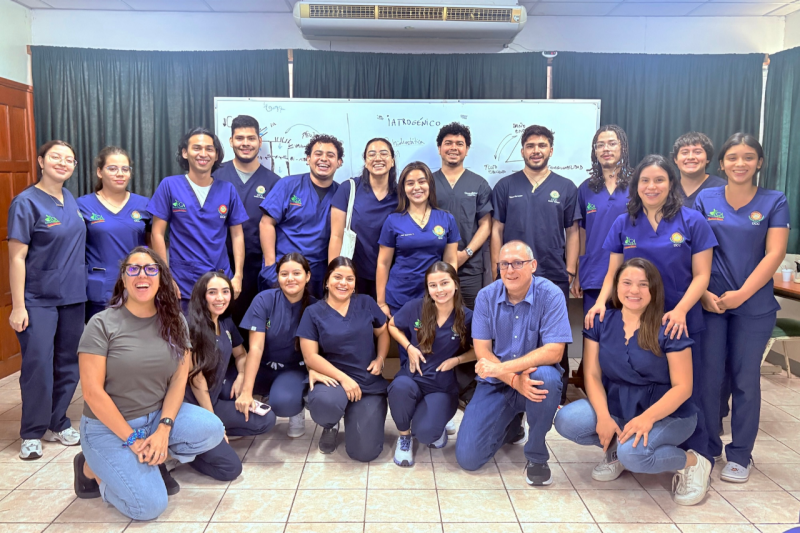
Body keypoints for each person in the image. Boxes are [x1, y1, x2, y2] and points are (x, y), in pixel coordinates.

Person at [585, 154, 718, 468]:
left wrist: (682, 310)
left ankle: (695, 458)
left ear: (671, 183)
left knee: (685, 389)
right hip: (633, 317)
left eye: (659, 179)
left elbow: (702, 275)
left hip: (676, 320)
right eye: (644, 180)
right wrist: (602, 301)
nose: (651, 186)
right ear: (635, 185)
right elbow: (613, 273)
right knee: (627, 382)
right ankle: (626, 445)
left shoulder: (692, 220)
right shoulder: (624, 222)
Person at [72, 247, 224, 520]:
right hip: (108, 427)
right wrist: (131, 439)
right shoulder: (101, 324)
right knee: (149, 508)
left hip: (155, 418)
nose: (142, 275)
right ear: (123, 277)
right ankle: (90, 470)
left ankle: (150, 459)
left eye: (150, 269)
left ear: (161, 278)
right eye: (133, 268)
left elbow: (180, 377)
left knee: (212, 429)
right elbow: (92, 393)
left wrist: (164, 429)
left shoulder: (175, 320)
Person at [555, 258, 711, 506]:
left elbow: (684, 388)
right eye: (627, 283)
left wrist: (646, 419)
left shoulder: (670, 327)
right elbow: (592, 375)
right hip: (619, 408)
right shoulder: (599, 321)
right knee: (567, 420)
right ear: (616, 287)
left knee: (635, 456)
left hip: (668, 415)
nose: (634, 291)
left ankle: (694, 462)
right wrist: (604, 417)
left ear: (654, 290)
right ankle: (616, 451)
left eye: (643, 284)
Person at [695, 133, 790, 483]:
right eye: (732, 157)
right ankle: (706, 447)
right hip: (711, 303)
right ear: (721, 163)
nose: (740, 163)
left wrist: (742, 294)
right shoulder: (706, 198)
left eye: (748, 157)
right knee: (708, 378)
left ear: (759, 163)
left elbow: (775, 254)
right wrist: (703, 291)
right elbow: (696, 248)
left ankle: (740, 454)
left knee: (745, 380)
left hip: (754, 306)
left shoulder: (774, 200)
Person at [455, 241, 571, 486]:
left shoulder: (551, 294)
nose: (510, 270)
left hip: (534, 378)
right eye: (504, 264)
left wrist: (503, 369)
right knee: (468, 458)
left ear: (533, 266)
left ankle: (537, 454)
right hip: (497, 383)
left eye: (518, 263)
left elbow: (554, 352)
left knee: (548, 378)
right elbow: (482, 350)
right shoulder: (486, 296)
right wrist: (512, 378)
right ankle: (512, 425)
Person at [8, 140, 86, 460]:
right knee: (38, 365)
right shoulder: (26, 202)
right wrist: (18, 305)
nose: (63, 163)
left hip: (73, 296)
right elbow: (16, 257)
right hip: (37, 299)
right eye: (56, 157)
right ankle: (31, 432)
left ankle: (59, 421)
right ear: (41, 160)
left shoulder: (70, 198)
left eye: (69, 159)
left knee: (68, 363)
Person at [490, 125, 579, 404]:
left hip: (553, 271)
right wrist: (498, 268)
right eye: (530, 146)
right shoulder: (506, 186)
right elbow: (496, 229)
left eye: (542, 145)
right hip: (513, 273)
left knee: (555, 334)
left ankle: (556, 392)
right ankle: (513, 384)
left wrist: (571, 270)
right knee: (512, 331)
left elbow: (573, 231)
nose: (536, 150)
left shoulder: (566, 187)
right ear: (522, 150)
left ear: (551, 150)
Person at [184, 271, 276, 481]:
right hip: (191, 407)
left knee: (266, 419)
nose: (220, 298)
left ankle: (209, 436)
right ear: (201, 296)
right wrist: (214, 424)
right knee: (230, 469)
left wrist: (242, 374)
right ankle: (186, 451)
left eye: (225, 292)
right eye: (213, 292)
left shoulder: (224, 322)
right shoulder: (192, 327)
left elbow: (241, 353)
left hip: (213, 401)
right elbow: (196, 381)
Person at [297, 257, 390, 461]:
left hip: (367, 383)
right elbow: (310, 356)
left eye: (350, 278)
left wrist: (381, 358)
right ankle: (330, 425)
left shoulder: (365, 302)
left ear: (355, 283)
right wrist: (343, 379)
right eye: (337, 277)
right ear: (327, 281)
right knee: (326, 405)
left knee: (365, 452)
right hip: (331, 380)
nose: (343, 283)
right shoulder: (313, 312)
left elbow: (383, 332)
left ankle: (354, 415)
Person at [147, 127, 248, 312]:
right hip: (182, 281)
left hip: (220, 280)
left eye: (209, 149)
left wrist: (238, 276)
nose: (203, 154)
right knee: (182, 337)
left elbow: (237, 235)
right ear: (185, 152)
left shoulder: (228, 190)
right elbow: (157, 233)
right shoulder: (169, 186)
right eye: (197, 148)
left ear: (217, 155)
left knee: (218, 337)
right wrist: (166, 277)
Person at [388, 262, 474, 466]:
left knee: (426, 434)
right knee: (399, 388)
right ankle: (405, 438)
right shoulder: (415, 307)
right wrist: (409, 347)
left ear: (455, 284)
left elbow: (480, 351)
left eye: (444, 283)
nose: (439, 290)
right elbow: (392, 325)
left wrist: (457, 360)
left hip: (442, 385)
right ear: (427, 288)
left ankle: (437, 423)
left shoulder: (467, 317)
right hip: (413, 377)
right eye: (433, 285)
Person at [235, 253, 316, 438]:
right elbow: (256, 348)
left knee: (283, 402)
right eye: (284, 274)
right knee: (230, 390)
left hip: (293, 369)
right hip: (263, 366)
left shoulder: (314, 307)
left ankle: (296, 403)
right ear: (277, 277)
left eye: (297, 273)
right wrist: (246, 391)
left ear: (308, 276)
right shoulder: (264, 300)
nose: (290, 279)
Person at [213, 115, 280, 336]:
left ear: (260, 142)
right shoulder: (215, 176)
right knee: (217, 323)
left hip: (257, 267)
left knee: (254, 324)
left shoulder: (274, 182)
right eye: (239, 138)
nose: (245, 143)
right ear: (230, 141)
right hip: (217, 262)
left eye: (251, 138)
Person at [259, 134, 342, 298]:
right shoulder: (288, 185)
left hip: (319, 273)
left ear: (339, 162)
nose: (323, 159)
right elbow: (266, 223)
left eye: (330, 155)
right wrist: (270, 265)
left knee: (313, 321)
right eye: (318, 154)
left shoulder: (341, 194)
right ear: (308, 158)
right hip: (284, 270)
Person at [376, 162, 460, 317]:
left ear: (430, 185)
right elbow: (383, 263)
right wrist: (381, 302)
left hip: (435, 295)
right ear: (403, 189)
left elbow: (450, 261)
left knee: (436, 340)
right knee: (406, 341)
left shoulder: (446, 218)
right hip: (400, 296)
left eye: (422, 181)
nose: (416, 187)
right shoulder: (393, 220)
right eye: (410, 183)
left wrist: (449, 292)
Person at [78, 146, 151, 321]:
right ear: (99, 172)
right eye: (112, 168)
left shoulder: (145, 205)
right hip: (99, 292)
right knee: (100, 345)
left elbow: (153, 247)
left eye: (125, 169)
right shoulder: (82, 205)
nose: (120, 173)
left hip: (138, 288)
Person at [572, 125, 633, 314]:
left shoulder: (639, 183)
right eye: (600, 145)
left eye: (612, 143)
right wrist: (578, 274)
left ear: (622, 147)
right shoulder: (585, 189)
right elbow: (582, 233)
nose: (606, 149)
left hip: (631, 273)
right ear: (595, 151)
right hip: (594, 273)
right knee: (593, 334)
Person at [432, 123, 493, 310]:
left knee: (471, 323)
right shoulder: (427, 183)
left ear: (466, 150)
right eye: (448, 143)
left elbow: (486, 225)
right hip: (434, 269)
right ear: (439, 149)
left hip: (470, 270)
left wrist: (464, 254)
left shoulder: (479, 184)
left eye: (459, 143)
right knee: (435, 323)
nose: (453, 148)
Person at [329, 138, 398, 299]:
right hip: (354, 275)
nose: (378, 158)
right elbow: (336, 236)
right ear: (366, 161)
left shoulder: (401, 194)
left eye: (384, 153)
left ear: (392, 161)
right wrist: (334, 275)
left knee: (383, 322)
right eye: (371, 154)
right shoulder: (350, 188)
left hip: (391, 276)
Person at [673, 132, 727, 208]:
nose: (690, 157)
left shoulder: (723, 188)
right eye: (684, 152)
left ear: (707, 158)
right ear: (675, 159)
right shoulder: (668, 187)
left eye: (697, 152)